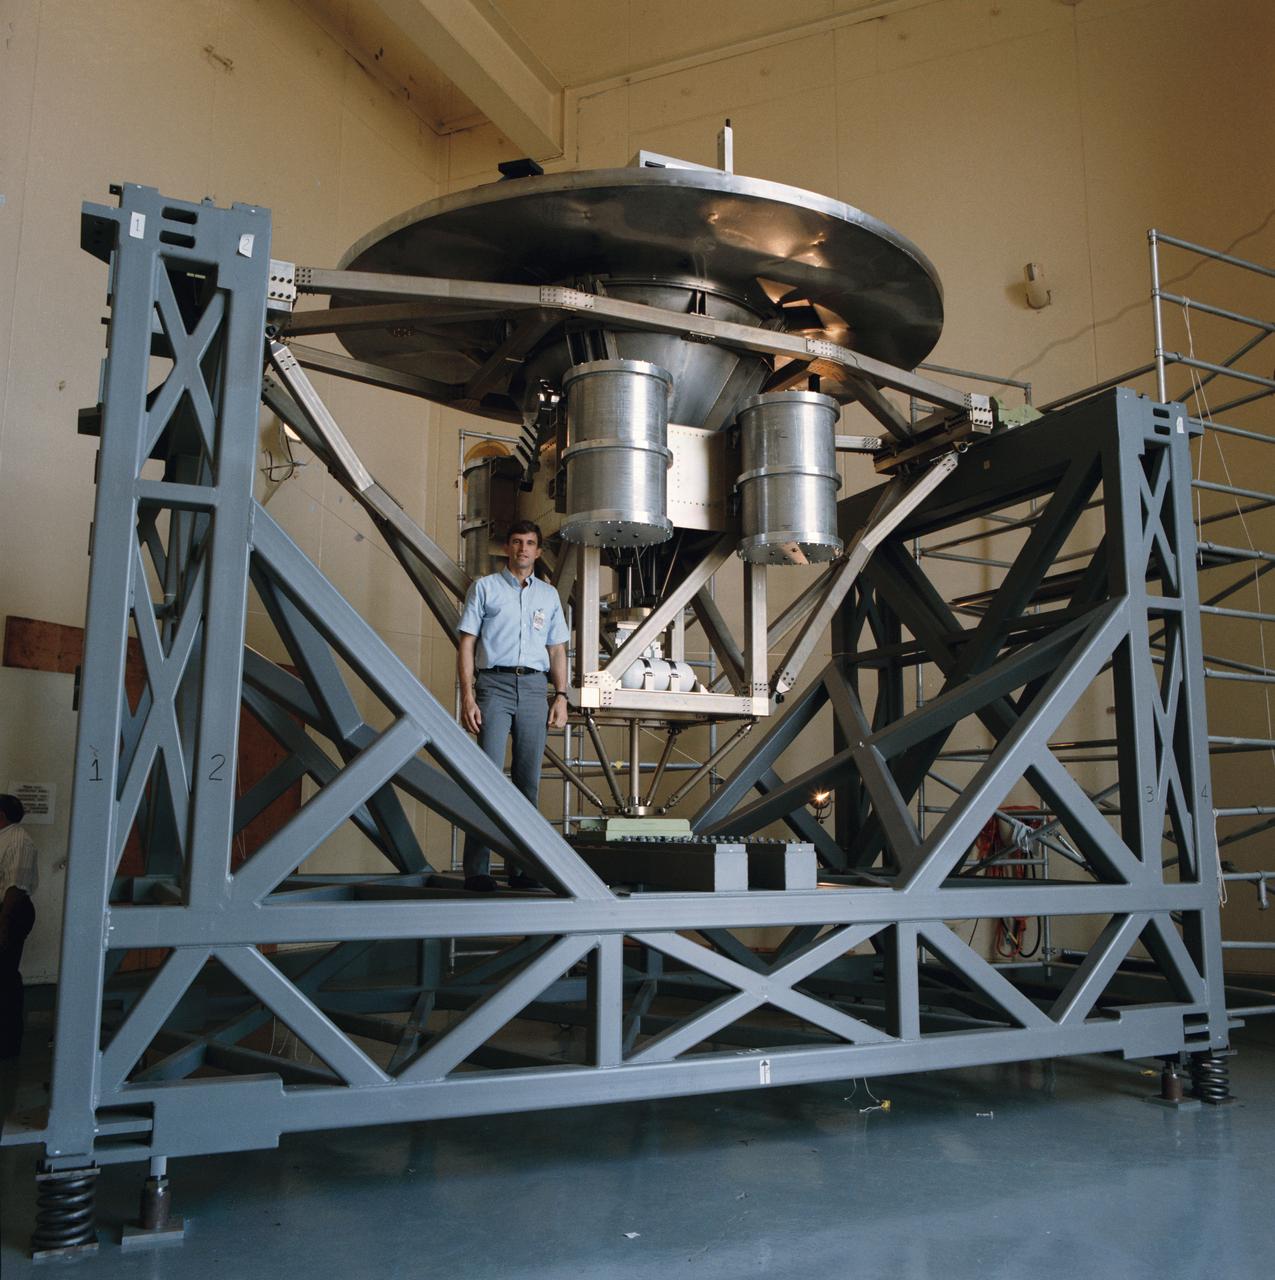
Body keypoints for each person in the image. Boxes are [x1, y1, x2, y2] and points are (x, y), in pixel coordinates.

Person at [457, 520, 569, 892]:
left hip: (536, 689)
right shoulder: (485, 588)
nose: (523, 549)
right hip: (494, 687)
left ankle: (522, 869)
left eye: (531, 543)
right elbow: (467, 644)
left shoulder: (549, 597)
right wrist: (468, 696)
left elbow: (556, 649)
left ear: (538, 551)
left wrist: (562, 696)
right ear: (507, 548)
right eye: (517, 542)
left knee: (527, 782)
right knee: (486, 778)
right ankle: (478, 870)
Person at [0, 794, 39, 1060]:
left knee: (5, 977)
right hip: (6, 912)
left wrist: (2, 927)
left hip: (10, 913)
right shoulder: (5, 837)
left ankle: (8, 1045)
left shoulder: (18, 841)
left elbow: (14, 889)